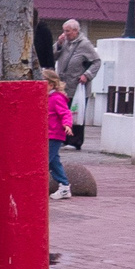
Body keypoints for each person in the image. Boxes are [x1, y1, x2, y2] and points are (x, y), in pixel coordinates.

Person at [53, 18, 101, 147]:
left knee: (76, 114)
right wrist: (58, 44)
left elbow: (97, 62)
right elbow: (53, 56)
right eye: (64, 31)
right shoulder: (65, 42)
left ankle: (75, 141)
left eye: (67, 31)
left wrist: (87, 75)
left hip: (77, 85)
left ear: (75, 31)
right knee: (63, 113)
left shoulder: (85, 44)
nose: (65, 34)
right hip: (63, 86)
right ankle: (64, 139)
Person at [47, 82, 74, 199]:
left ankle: (64, 186)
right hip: (49, 134)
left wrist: (67, 125)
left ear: (51, 85)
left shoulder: (57, 98)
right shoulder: (48, 97)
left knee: (44, 160)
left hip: (55, 134)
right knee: (54, 162)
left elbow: (65, 113)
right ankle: (64, 185)